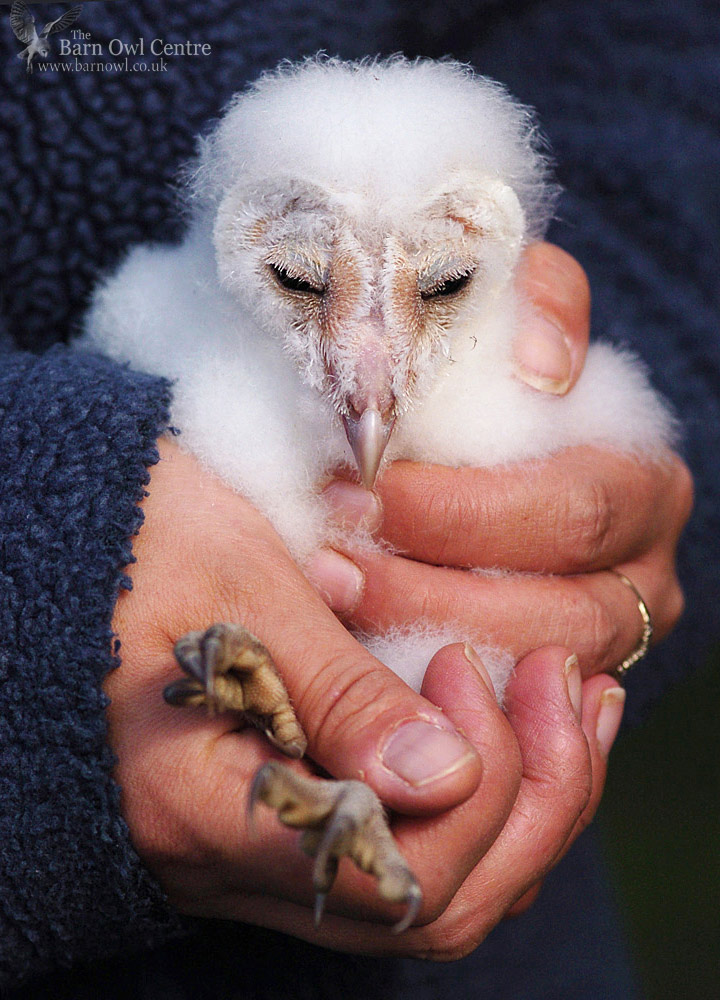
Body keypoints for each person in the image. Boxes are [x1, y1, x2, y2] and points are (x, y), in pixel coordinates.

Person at [0, 1, 714, 997]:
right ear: (244, 238)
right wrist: (44, 610)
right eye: (299, 279)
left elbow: (673, 55)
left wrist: (589, 539)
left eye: (447, 282)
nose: (367, 383)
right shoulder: (155, 326)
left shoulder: (542, 374)